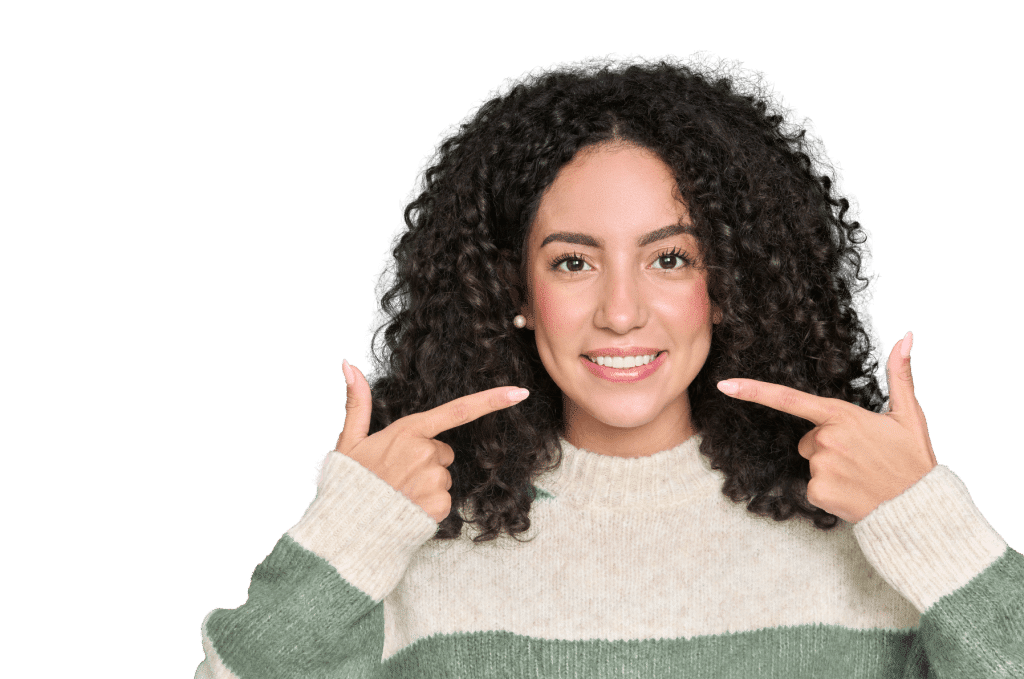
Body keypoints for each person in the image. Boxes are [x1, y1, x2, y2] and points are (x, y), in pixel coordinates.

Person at [195, 52, 1023, 678]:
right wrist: (348, 535)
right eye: (572, 262)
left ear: (725, 285)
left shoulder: (873, 545)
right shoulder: (405, 554)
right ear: (515, 291)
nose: (621, 311)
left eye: (670, 259)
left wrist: (927, 522)